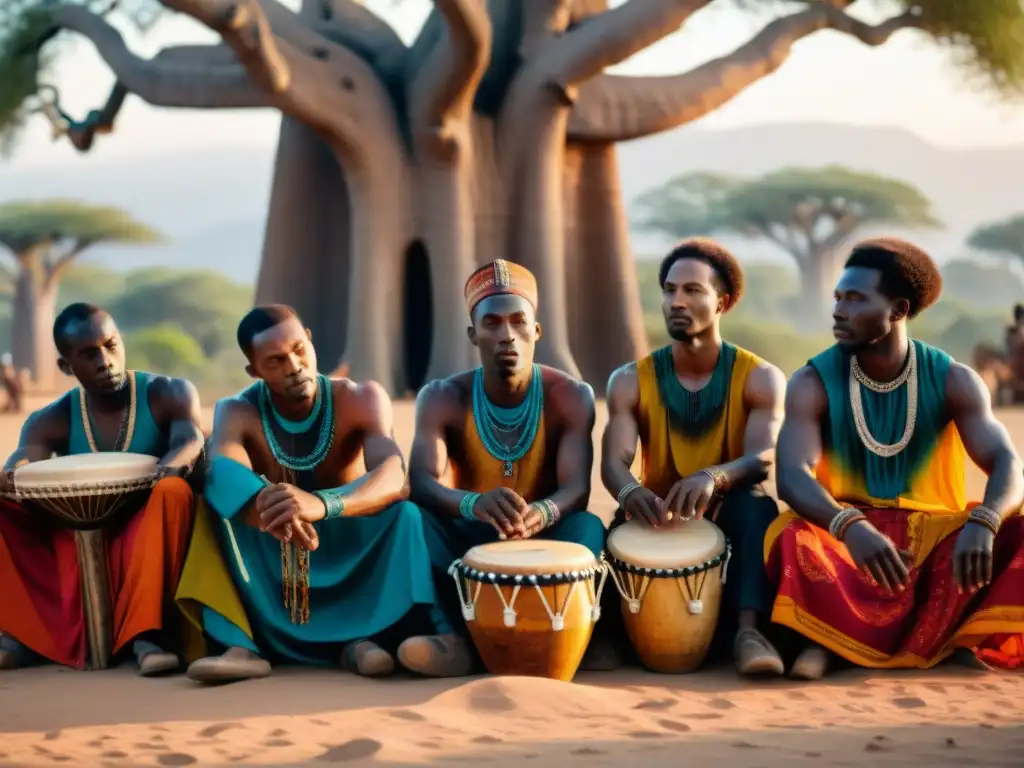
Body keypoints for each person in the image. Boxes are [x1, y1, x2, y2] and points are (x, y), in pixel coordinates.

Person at [768, 237, 1024, 679]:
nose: (838, 310)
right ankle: (850, 644)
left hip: (934, 541)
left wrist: (984, 521)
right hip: (846, 541)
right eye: (837, 297)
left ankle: (841, 646)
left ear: (898, 310)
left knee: (1017, 529)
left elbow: (1007, 463)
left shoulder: (954, 380)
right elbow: (791, 476)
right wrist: (850, 527)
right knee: (790, 535)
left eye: (855, 299)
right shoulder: (811, 380)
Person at [177, 305, 457, 683]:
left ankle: (375, 641)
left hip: (350, 538)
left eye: (298, 350)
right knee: (209, 508)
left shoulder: (360, 397)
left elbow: (393, 475)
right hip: (280, 541)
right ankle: (241, 647)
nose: (293, 365)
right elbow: (224, 466)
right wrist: (273, 507)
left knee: (406, 516)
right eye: (275, 360)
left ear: (310, 340)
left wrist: (322, 505)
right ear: (254, 371)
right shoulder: (238, 409)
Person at [408, 259, 610, 674]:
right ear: (473, 334)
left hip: (544, 535)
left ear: (536, 331)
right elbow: (423, 483)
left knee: (588, 528)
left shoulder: (570, 395)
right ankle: (451, 638)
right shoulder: (443, 396)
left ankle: (575, 636)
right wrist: (473, 505)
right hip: (471, 535)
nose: (507, 336)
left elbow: (577, 490)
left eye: (519, 323)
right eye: (492, 324)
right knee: (410, 518)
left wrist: (542, 512)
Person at [601, 238, 787, 676]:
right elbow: (614, 462)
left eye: (692, 290)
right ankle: (611, 635)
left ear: (721, 302)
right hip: (660, 516)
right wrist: (630, 492)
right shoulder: (630, 380)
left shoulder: (759, 377)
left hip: (729, 512)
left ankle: (748, 632)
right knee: (607, 530)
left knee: (757, 507)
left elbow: (763, 457)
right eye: (668, 290)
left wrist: (714, 478)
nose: (675, 301)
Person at [0, 303, 202, 675]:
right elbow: (25, 458)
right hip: (78, 533)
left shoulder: (167, 392)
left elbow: (189, 440)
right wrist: (13, 472)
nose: (105, 360)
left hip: (150, 529)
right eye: (89, 354)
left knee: (173, 492)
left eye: (111, 345)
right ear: (66, 366)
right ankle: (26, 635)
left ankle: (149, 636)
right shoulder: (52, 417)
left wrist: (168, 467)